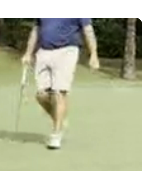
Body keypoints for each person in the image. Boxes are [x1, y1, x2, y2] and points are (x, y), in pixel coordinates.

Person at [22, 18, 99, 150]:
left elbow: (88, 30)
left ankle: (56, 135)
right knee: (41, 95)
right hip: (44, 51)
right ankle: (60, 119)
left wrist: (93, 54)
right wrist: (28, 53)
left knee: (59, 93)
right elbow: (36, 30)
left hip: (67, 51)